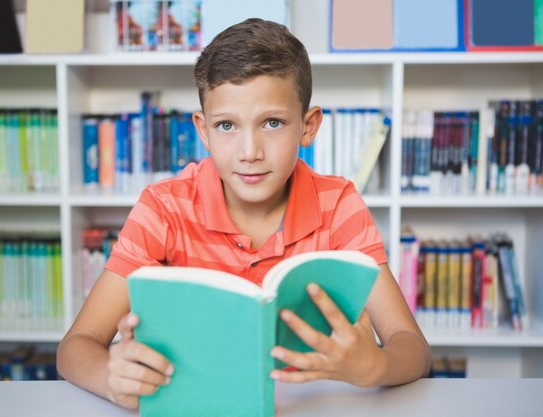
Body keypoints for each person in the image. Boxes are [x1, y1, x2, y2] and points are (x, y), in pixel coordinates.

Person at [57, 18, 431, 410]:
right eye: (227, 125)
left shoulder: (338, 205)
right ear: (203, 130)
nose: (249, 151)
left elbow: (413, 348)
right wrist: (110, 377)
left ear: (308, 126)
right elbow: (75, 347)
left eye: (272, 123)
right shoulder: (163, 209)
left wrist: (375, 367)